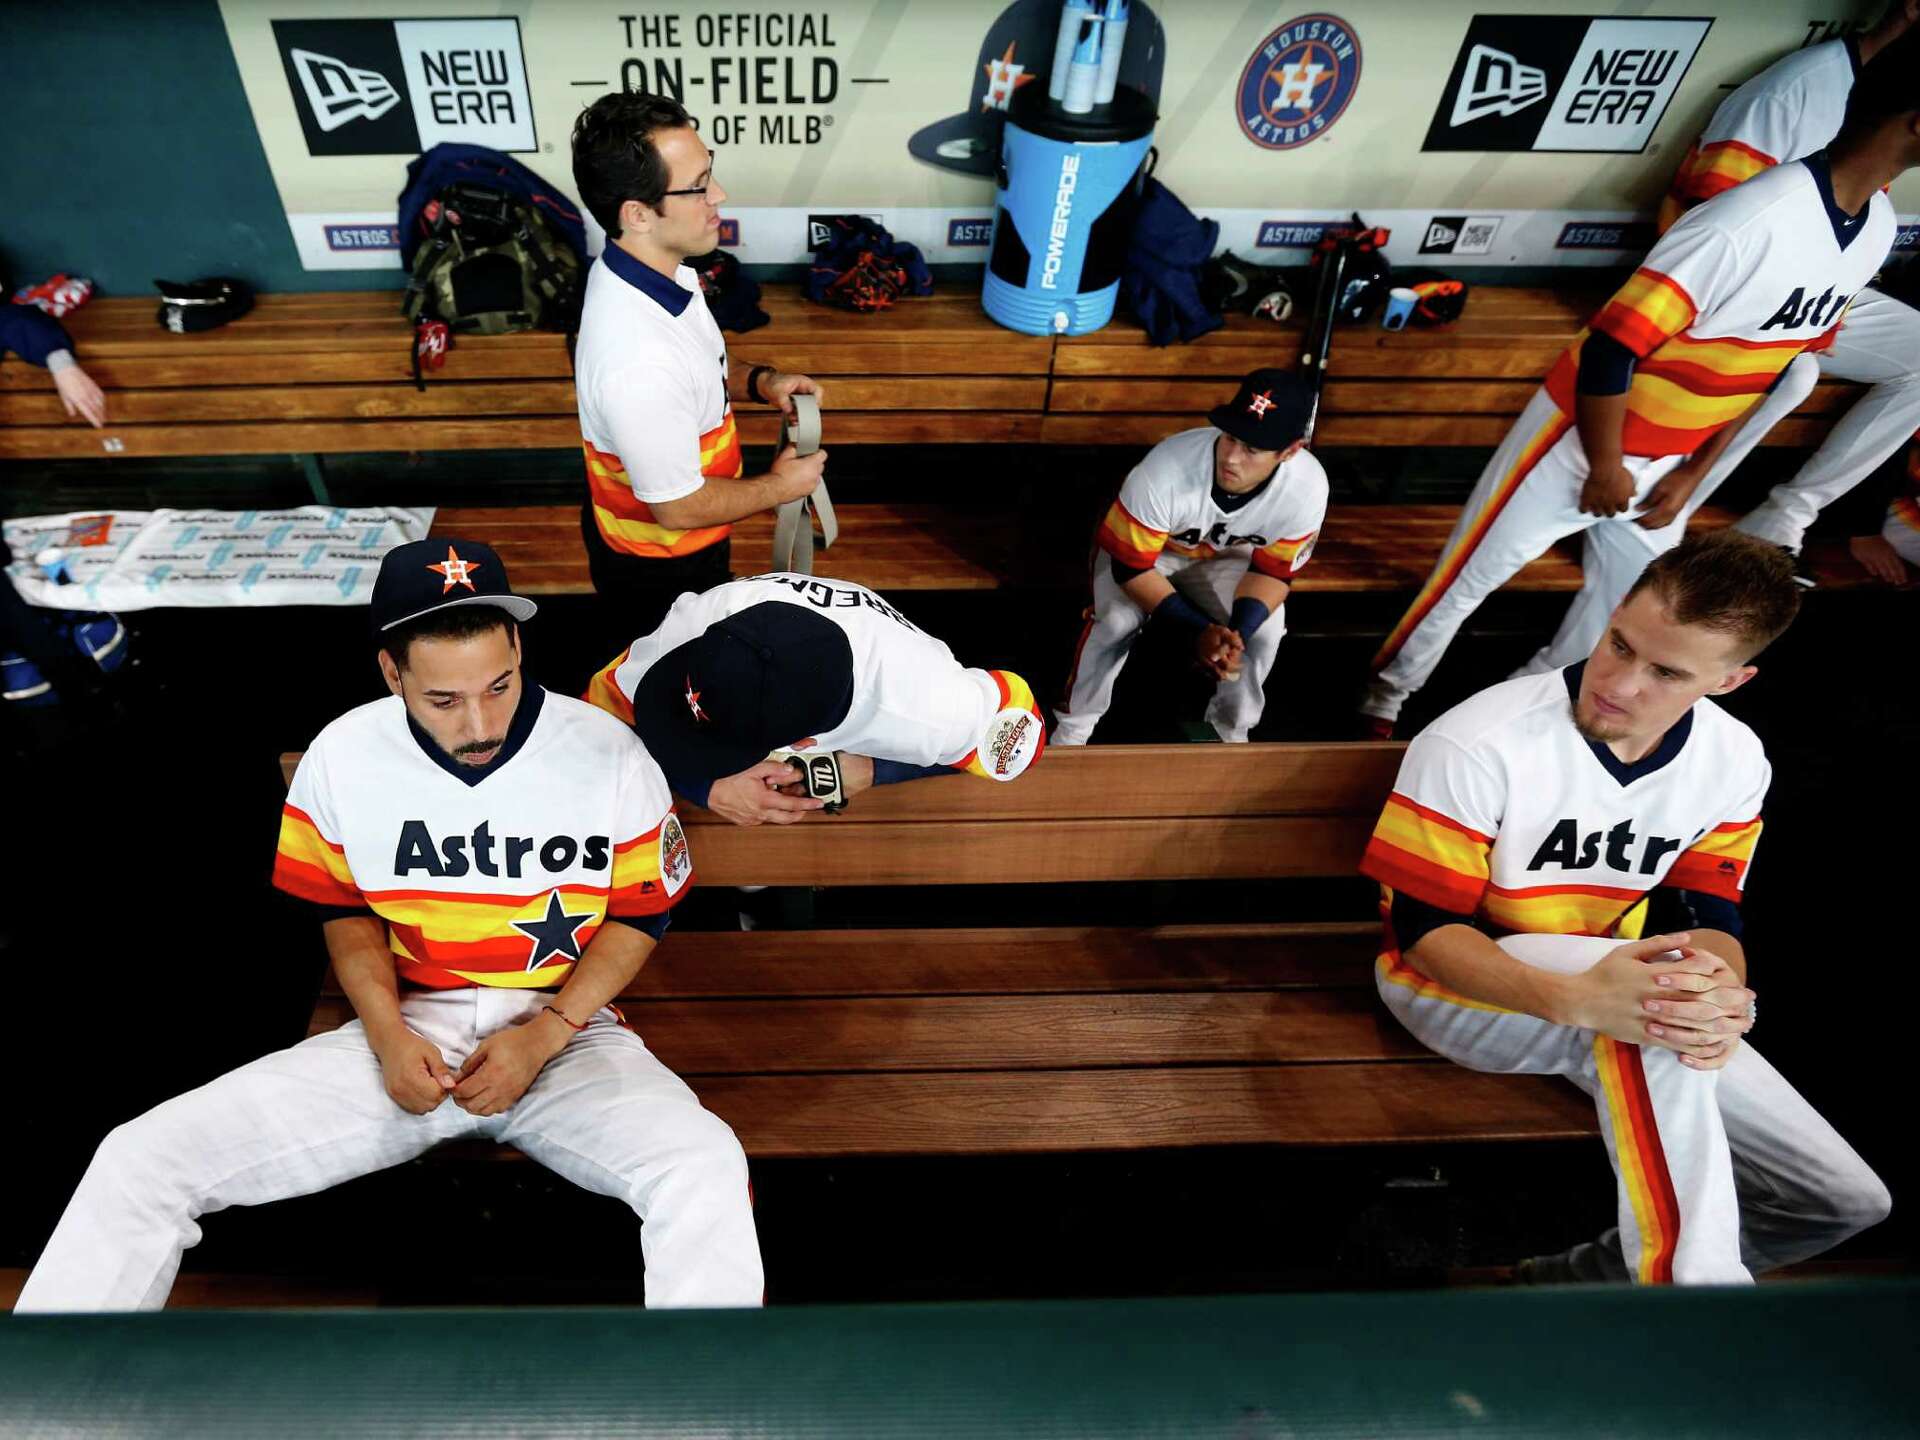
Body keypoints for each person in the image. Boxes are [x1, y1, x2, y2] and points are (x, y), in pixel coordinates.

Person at [13, 539, 762, 1311]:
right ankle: (49, 1419)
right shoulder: (342, 755)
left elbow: (641, 914)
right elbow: (344, 910)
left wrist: (546, 1033)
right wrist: (386, 1035)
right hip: (409, 1028)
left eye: (499, 685)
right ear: (392, 673)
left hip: (565, 1031)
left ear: (517, 648)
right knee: (140, 1158)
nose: (480, 721)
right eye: (444, 699)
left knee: (702, 1164)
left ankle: (711, 1418)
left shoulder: (608, 751)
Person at [1360, 531, 1888, 1284]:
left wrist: (1723, 994)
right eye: (1619, 644)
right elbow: (1424, 935)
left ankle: (1573, 1289)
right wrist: (1577, 1001)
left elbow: (1709, 911)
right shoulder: (1480, 741)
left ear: (1732, 681)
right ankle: (1691, 1316)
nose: (1620, 682)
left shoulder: (1734, 760)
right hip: (1456, 987)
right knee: (1648, 1001)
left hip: (1619, 994)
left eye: (1666, 672)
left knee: (1842, 1198)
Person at [1361, 41, 1920, 734]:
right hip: (1578, 444)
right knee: (1463, 586)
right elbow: (1610, 349)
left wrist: (1694, 476)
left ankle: (1525, 717)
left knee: (1631, 610)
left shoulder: (1876, 231)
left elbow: (1767, 369)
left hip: (1669, 466)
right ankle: (1380, 706)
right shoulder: (1748, 218)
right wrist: (1603, 464)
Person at [570, 93, 828, 630]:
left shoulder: (657, 273)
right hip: (662, 568)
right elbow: (679, 506)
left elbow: (696, 369)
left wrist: (761, 382)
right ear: (637, 214)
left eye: (711, 172)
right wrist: (782, 487)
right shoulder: (636, 358)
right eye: (697, 186)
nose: (720, 194)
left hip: (672, 547)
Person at [583, 572, 1047, 826]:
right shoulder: (708, 620)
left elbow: (1020, 731)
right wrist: (706, 787)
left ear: (805, 740)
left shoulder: (930, 709)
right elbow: (599, 713)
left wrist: (871, 768)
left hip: (870, 710)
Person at [1053, 369, 1328, 745]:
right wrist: (1198, 630)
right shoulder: (1167, 468)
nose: (1232, 456)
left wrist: (1235, 637)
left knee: (1264, 630)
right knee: (1116, 621)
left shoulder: (1307, 488)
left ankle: (1230, 730)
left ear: (1291, 450)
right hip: (1150, 557)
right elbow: (1129, 568)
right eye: (1231, 437)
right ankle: (1073, 729)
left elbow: (1273, 573)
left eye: (1252, 449)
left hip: (1222, 559)